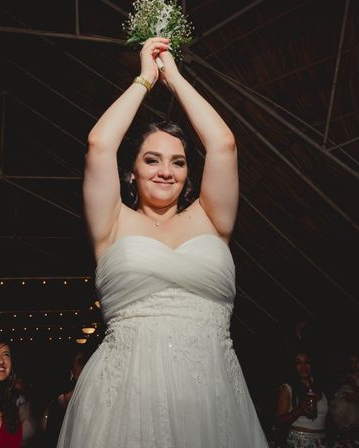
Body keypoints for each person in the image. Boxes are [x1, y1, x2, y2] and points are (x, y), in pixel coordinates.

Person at [56, 37, 268, 447]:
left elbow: (223, 145)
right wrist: (144, 79)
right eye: (151, 159)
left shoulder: (211, 219)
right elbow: (100, 145)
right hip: (126, 399)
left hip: (211, 395)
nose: (165, 171)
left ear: (189, 174)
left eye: (178, 162)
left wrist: (175, 77)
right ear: (131, 172)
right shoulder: (113, 223)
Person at [276, 351, 329, 448]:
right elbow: (280, 421)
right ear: (293, 366)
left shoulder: (321, 387)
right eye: (298, 363)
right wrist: (299, 410)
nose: (303, 367)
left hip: (321, 442)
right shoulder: (288, 388)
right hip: (299, 443)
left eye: (307, 362)